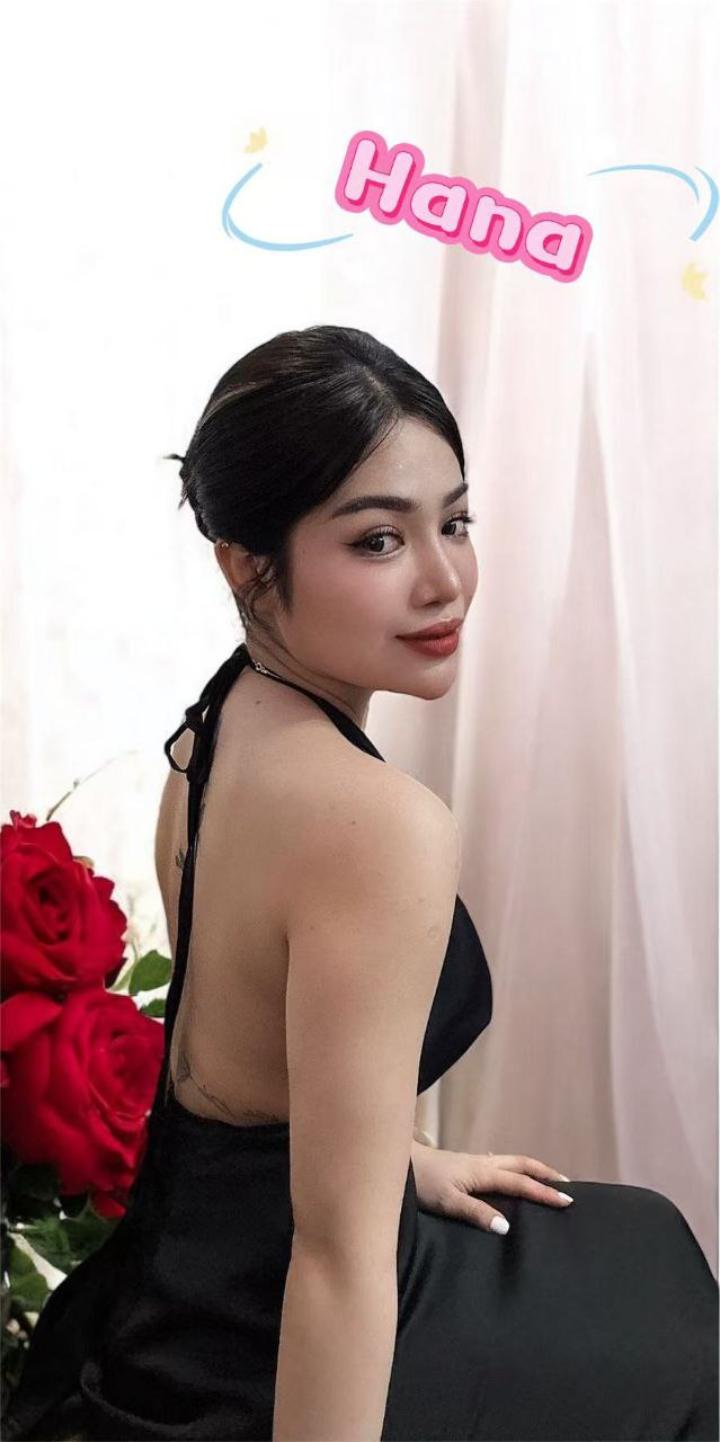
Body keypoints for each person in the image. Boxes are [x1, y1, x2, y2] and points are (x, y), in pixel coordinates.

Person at [6, 325, 718, 1442]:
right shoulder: (380, 827)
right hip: (266, 1341)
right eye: (380, 538)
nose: (445, 581)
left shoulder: (216, 725)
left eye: (456, 522)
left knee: (634, 1242)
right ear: (246, 564)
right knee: (669, 1323)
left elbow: (249, 1072)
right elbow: (337, 1262)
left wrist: (399, 1156)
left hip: (180, 1281)